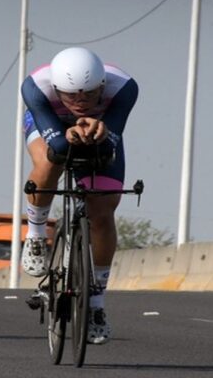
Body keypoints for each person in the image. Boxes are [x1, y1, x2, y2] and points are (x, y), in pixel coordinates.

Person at [20, 47, 138, 344]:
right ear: (57, 88)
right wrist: (67, 135)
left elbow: (110, 138)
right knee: (52, 158)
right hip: (50, 124)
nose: (80, 102)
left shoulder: (124, 88)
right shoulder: (36, 87)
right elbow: (57, 143)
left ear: (102, 86)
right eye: (71, 95)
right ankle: (35, 236)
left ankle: (96, 304)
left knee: (102, 209)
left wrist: (97, 131)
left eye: (88, 94)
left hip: (102, 129)